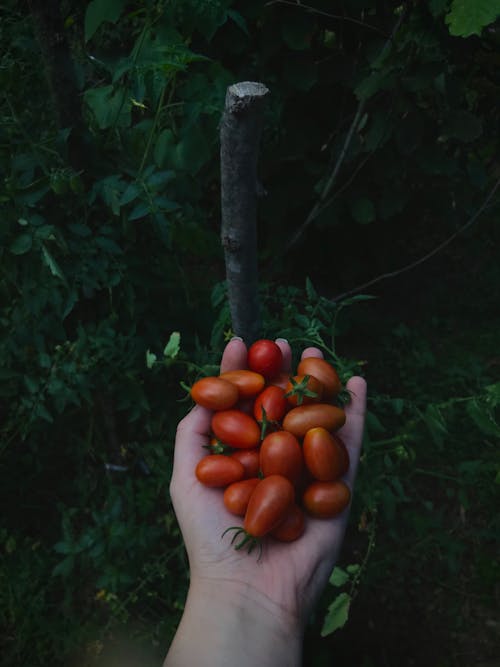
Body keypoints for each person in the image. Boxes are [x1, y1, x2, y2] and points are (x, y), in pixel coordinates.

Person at [164, 337, 367, 667]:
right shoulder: (269, 453)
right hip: (273, 471)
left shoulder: (284, 436)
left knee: (299, 446)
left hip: (279, 468)